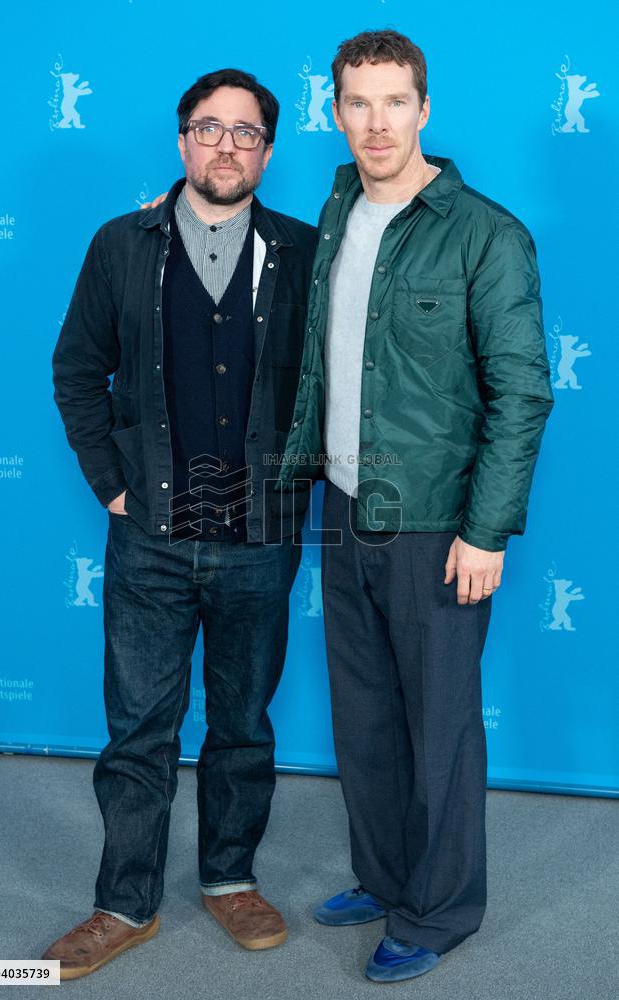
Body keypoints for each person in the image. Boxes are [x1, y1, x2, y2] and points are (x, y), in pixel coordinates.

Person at [274, 29, 555, 983]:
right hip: (347, 506)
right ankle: (387, 874)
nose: (377, 122)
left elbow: (522, 394)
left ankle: (437, 913)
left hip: (439, 523)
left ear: (425, 108)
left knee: (440, 727)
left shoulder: (486, 234)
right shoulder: (338, 210)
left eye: (395, 101)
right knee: (365, 718)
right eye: (358, 102)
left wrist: (485, 530)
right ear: (335, 112)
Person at [46, 68, 317, 979]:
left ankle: (230, 880)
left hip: (260, 539)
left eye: (246, 132)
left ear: (267, 152)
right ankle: (124, 904)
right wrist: (110, 484)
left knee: (242, 723)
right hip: (150, 538)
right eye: (209, 128)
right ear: (181, 140)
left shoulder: (304, 250)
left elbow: (336, 381)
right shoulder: (120, 245)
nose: (225, 146)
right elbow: (77, 370)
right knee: (139, 731)